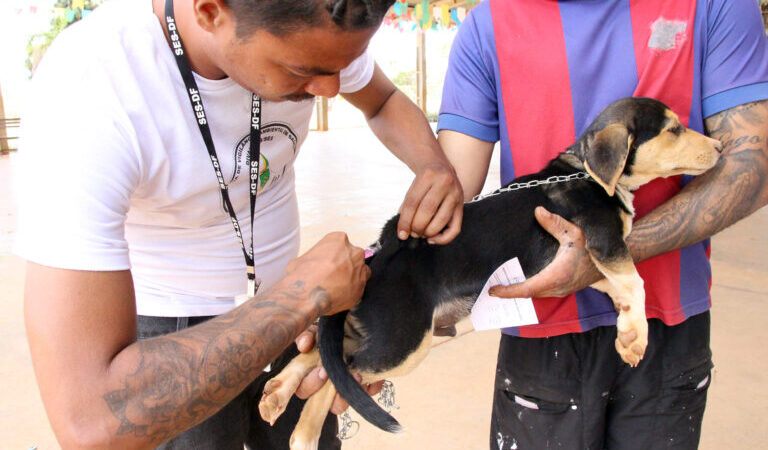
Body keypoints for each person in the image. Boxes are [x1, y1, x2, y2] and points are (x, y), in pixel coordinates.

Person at [15, 0, 464, 448]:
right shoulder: (92, 89)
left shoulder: (319, 29)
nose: (329, 89)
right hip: (172, 338)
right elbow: (90, 420)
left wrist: (432, 165)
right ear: (210, 11)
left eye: (339, 68)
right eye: (301, 69)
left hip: (297, 309)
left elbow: (382, 98)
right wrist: (302, 295)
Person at [437, 0, 768, 448]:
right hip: (541, 328)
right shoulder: (488, 23)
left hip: (666, 322)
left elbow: (753, 167)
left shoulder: (715, 4)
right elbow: (449, 191)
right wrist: (378, 289)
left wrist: (602, 258)